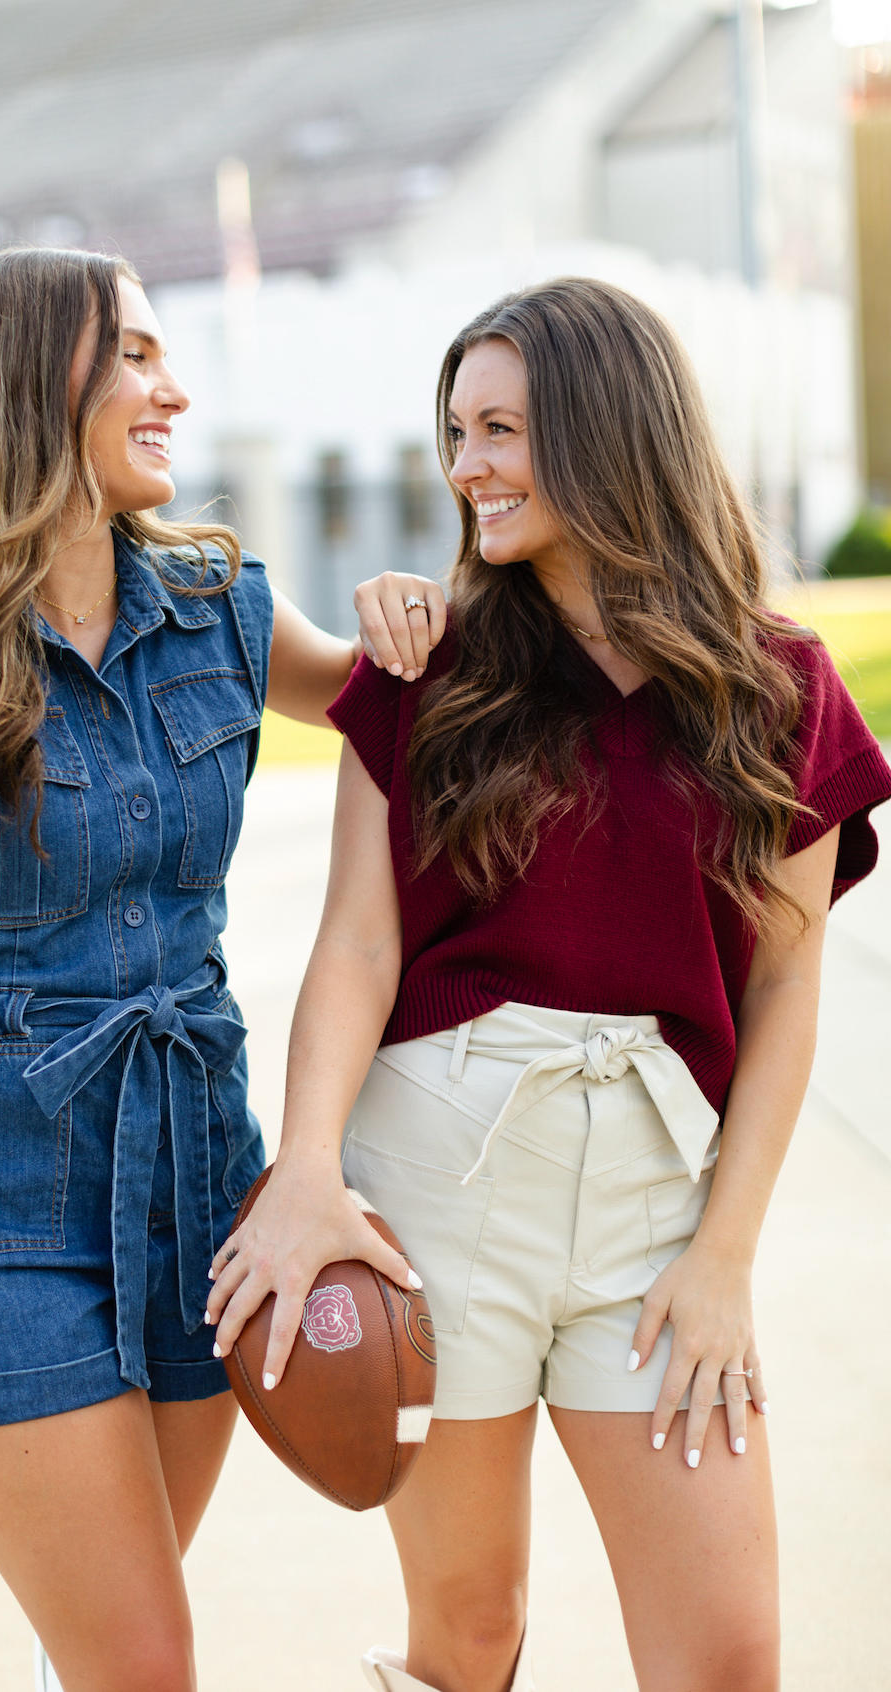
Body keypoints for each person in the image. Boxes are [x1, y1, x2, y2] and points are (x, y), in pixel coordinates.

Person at [206, 278, 891, 1692]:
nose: (468, 469)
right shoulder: (429, 667)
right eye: (456, 433)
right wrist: (309, 1172)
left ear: (607, 427)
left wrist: (723, 1260)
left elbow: (783, 994)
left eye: (503, 429)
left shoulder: (784, 691)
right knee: (470, 1637)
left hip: (655, 1208)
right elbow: (357, 945)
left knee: (729, 1659)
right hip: (438, 1190)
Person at [0, 246, 444, 1692]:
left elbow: (405, 714)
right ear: (35, 387)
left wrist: (414, 614)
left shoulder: (219, 611)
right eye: (137, 356)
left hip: (207, 1188)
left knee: (105, 1647)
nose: (176, 388)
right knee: (145, 1662)